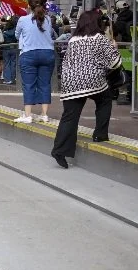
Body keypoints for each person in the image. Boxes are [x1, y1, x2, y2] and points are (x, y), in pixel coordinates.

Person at [50, 11, 122, 168]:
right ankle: (100, 134)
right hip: (93, 80)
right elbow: (115, 63)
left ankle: (59, 150)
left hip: (70, 83)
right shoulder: (99, 39)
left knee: (69, 116)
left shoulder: (73, 39)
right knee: (104, 100)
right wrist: (114, 47)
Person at [14, 0, 57, 123]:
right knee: (45, 84)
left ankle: (28, 115)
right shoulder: (48, 19)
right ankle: (44, 114)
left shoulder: (23, 19)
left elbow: (17, 35)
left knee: (28, 84)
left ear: (29, 7)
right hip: (48, 53)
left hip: (29, 54)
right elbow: (50, 34)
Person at [1, 16, 19, 84]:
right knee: (13, 63)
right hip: (14, 48)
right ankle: (13, 78)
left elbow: (2, 40)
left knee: (7, 64)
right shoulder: (15, 31)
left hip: (6, 48)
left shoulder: (4, 32)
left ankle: (7, 79)